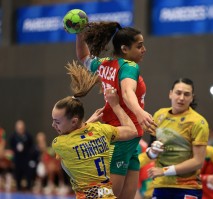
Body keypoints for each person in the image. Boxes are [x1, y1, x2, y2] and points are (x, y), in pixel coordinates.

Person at [75, 21, 155, 199]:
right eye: (139, 46)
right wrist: (140, 113)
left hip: (131, 140)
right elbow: (127, 93)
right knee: (108, 195)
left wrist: (79, 34)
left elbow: (83, 57)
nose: (144, 49)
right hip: (122, 137)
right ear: (125, 49)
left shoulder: (104, 64)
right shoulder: (129, 66)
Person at [51, 62, 137, 199]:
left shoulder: (60, 144)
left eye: (57, 122)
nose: (53, 125)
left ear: (73, 121)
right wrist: (115, 106)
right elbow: (132, 131)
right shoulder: (100, 130)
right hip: (107, 195)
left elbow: (76, 136)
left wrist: (87, 122)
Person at [138, 78, 208, 199]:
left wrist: (164, 171)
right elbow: (152, 150)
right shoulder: (159, 115)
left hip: (188, 187)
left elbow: (198, 161)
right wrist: (152, 153)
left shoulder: (198, 122)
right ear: (170, 94)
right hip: (160, 186)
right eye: (178, 93)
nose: (181, 98)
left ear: (192, 97)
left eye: (186, 94)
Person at [9, 119, 35, 191]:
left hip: (26, 158)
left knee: (28, 173)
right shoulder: (13, 137)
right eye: (19, 128)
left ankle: (29, 187)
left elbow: (31, 146)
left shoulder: (28, 136)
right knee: (17, 173)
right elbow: (11, 146)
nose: (20, 129)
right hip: (17, 158)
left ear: (24, 128)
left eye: (22, 128)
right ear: (16, 128)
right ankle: (18, 187)